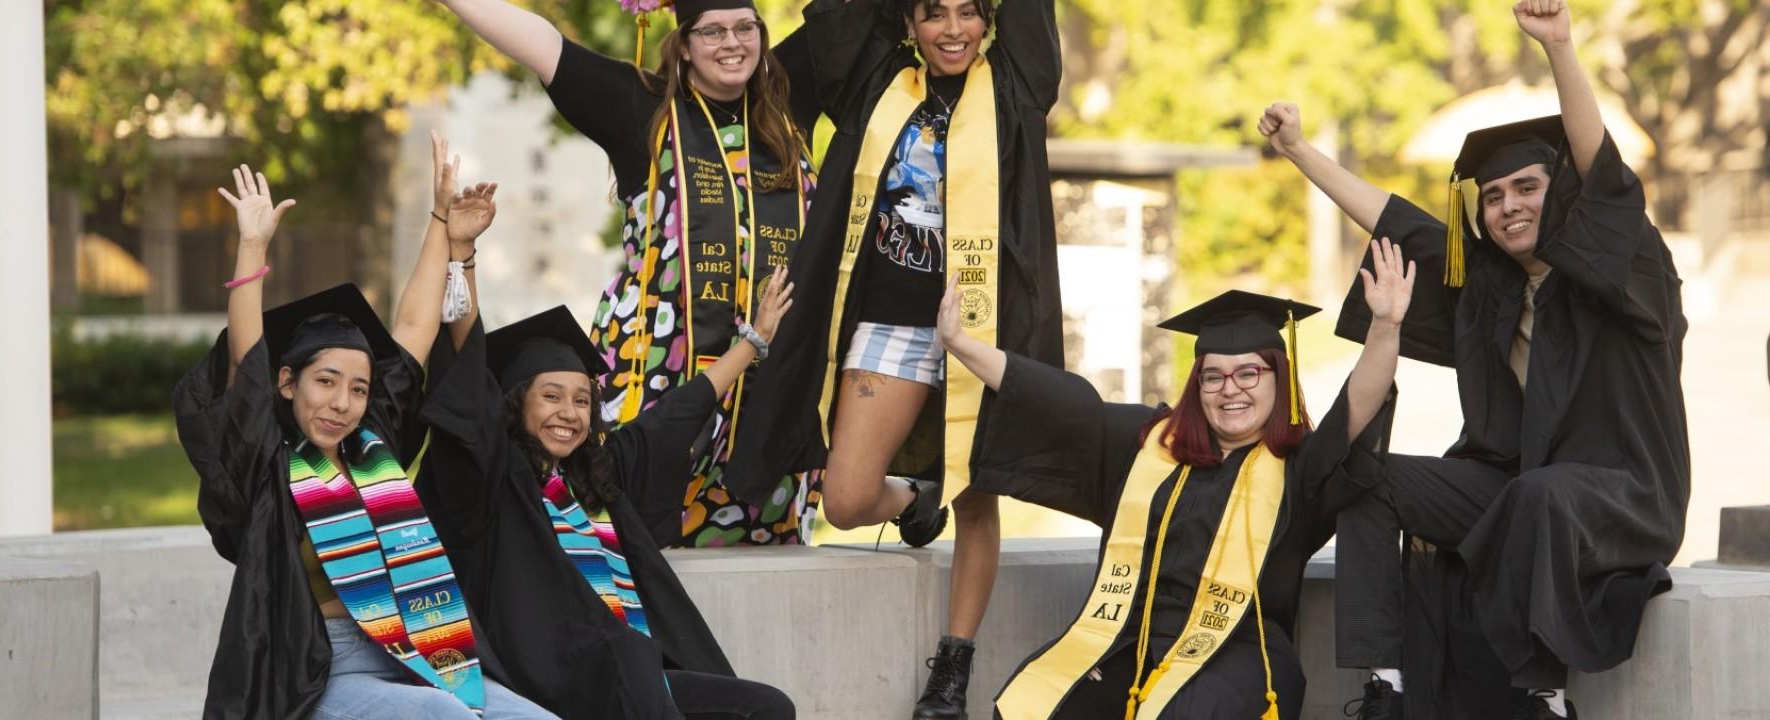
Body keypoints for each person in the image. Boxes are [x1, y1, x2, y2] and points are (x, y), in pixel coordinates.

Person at [1259, 2, 1689, 718]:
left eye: (1528, 187)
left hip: (1621, 497)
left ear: (1565, 199)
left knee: (1538, 494)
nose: (1508, 206)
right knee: (1370, 479)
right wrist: (1300, 152)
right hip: (1519, 490)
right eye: (1492, 196)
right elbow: (1399, 223)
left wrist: (1558, 48)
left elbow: (1605, 178)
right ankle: (1385, 688)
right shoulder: (1490, 289)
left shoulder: (1624, 274)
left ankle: (1541, 695)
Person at [727, 0, 1064, 714]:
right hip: (892, 322)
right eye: (933, 14)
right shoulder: (876, 80)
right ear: (906, 25)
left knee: (979, 496)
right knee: (846, 500)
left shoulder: (1016, 84)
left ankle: (954, 666)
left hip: (985, 326)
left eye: (968, 13)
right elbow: (842, 21)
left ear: (990, 22)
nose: (952, 29)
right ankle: (916, 497)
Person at [946, 237, 1412, 719]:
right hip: (1130, 637)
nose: (1230, 390)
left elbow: (1357, 408)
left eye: (1249, 374)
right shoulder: (1152, 445)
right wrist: (961, 344)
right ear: (1198, 385)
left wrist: (1385, 327)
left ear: (1279, 378)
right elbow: (1061, 405)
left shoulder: (1300, 466)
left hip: (1239, 652)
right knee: (1035, 704)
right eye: (1214, 376)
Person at [174, 135, 558, 718]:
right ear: (287, 385)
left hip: (419, 651)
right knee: (443, 717)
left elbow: (413, 326)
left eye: (357, 388)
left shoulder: (372, 451)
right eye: (324, 382)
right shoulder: (267, 464)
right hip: (317, 670)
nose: (343, 403)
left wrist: (440, 219)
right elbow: (246, 363)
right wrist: (252, 248)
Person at [433, 0, 824, 548]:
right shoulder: (641, 108)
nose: (731, 42)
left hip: (770, 381)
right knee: (635, 535)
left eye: (745, 28)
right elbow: (543, 45)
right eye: (711, 31)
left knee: (761, 544)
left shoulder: (788, 101)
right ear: (684, 43)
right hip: (658, 371)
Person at [407, 201, 799, 719]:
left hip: (639, 678)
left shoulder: (598, 475)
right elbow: (469, 386)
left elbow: (678, 414)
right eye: (550, 396)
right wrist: (465, 255)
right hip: (554, 680)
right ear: (515, 403)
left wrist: (754, 342)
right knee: (627, 654)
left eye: (581, 399)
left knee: (766, 708)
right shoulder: (495, 478)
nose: (568, 412)